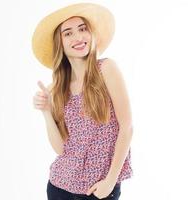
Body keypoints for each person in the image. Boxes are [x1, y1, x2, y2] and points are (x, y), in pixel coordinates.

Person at [32, 3, 134, 200]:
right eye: (68, 33)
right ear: (60, 43)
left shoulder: (106, 69)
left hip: (98, 190)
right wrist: (46, 112)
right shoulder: (58, 88)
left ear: (91, 34)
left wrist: (110, 181)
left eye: (82, 29)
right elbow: (62, 149)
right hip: (60, 186)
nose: (78, 37)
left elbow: (127, 128)